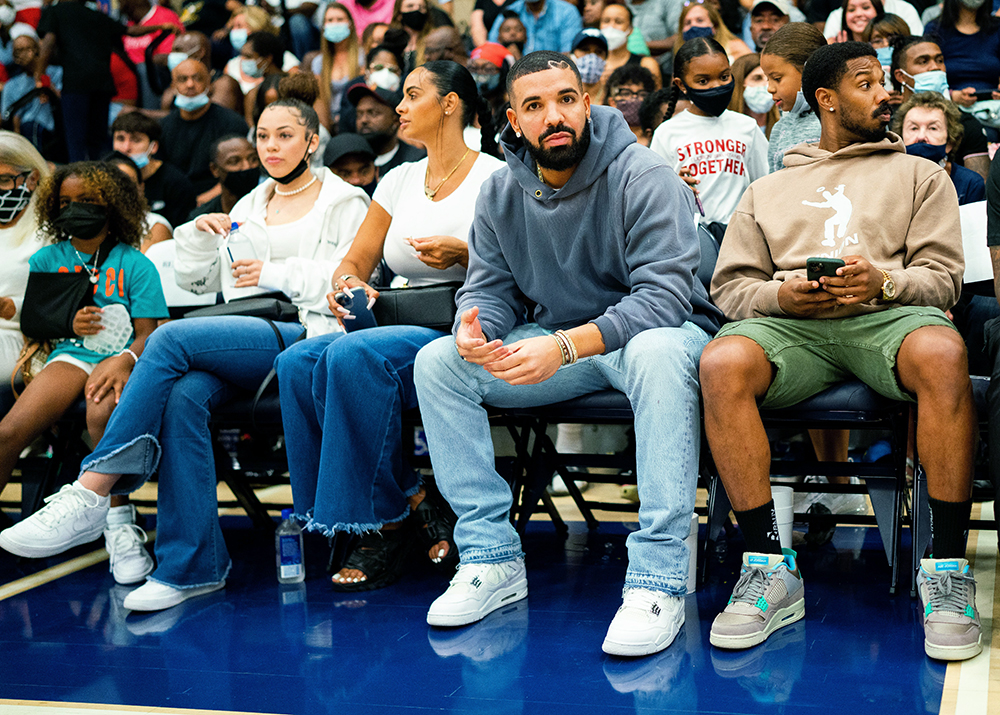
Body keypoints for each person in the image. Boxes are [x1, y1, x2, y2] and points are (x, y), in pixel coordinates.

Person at [0, 98, 369, 613]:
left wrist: (272, 273)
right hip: (250, 335)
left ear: (311, 140)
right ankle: (192, 569)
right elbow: (211, 284)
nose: (271, 147)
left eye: (285, 135)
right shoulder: (249, 204)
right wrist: (195, 238)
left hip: (311, 334)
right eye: (263, 136)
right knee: (183, 395)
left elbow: (349, 280)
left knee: (169, 339)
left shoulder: (344, 200)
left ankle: (93, 488)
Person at [412, 50, 721, 656]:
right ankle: (491, 558)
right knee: (439, 363)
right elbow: (489, 289)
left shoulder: (643, 172)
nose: (553, 115)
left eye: (565, 99)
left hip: (652, 336)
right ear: (513, 120)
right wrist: (474, 328)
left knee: (660, 352)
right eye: (534, 106)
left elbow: (665, 297)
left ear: (585, 103)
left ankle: (658, 580)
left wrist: (565, 344)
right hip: (560, 344)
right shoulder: (501, 192)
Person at [701, 41, 980, 663]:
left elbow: (943, 279)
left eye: (885, 82)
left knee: (943, 353)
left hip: (887, 316)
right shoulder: (768, 188)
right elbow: (730, 287)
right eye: (866, 83)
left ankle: (944, 570)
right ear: (826, 100)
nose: (885, 93)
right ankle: (770, 567)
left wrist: (885, 281)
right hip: (795, 327)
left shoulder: (920, 174)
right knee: (721, 363)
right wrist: (783, 295)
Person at [276, 61, 502, 592]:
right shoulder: (398, 180)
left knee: (350, 356)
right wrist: (350, 287)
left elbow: (523, 269)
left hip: (463, 321)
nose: (399, 107)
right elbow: (352, 261)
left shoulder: (494, 176)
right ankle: (384, 505)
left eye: (411, 95)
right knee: (294, 362)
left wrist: (466, 255)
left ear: (449, 104)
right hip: (396, 319)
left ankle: (379, 523)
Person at [0, 160, 169, 589]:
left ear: (112, 206)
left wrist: (125, 358)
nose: (75, 209)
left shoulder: (136, 264)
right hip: (71, 356)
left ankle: (118, 522)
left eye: (88, 201)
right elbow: (36, 321)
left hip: (127, 357)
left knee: (101, 416)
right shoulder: (47, 258)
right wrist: (66, 323)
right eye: (66, 202)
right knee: (9, 431)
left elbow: (153, 333)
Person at [34, 0, 178, 161]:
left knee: (76, 140)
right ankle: (103, 177)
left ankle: (79, 179)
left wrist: (39, 76)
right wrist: (160, 26)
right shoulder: (97, 15)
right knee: (99, 141)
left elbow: (47, 44)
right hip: (102, 83)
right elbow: (131, 30)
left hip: (77, 83)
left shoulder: (55, 11)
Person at [651, 37, 769, 227]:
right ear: (681, 85)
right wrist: (675, 185)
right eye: (703, 81)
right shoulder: (667, 132)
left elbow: (766, 185)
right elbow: (654, 196)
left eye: (724, 77)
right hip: (690, 237)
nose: (716, 86)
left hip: (740, 236)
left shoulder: (747, 126)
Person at [891, 35, 990, 178]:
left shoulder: (967, 125)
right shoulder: (885, 122)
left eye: (940, 61)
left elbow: (979, 189)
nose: (935, 67)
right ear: (901, 76)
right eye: (923, 61)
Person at [0, 132, 47, 419]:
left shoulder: (50, 229)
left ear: (32, 178)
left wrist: (10, 307)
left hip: (22, 337)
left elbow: (57, 302)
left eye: (4, 180)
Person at [158, 59, 249, 201]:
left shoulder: (232, 123)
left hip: (218, 199)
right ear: (173, 85)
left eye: (197, 78)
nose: (190, 85)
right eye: (182, 79)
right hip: (176, 201)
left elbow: (239, 173)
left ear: (209, 84)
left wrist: (204, 200)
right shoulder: (163, 127)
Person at [892, 91, 984, 203]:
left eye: (933, 128)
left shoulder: (969, 184)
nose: (921, 137)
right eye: (914, 128)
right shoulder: (888, 180)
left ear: (950, 142)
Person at [110, 112, 197, 230]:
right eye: (120, 139)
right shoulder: (102, 176)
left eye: (136, 140)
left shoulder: (176, 184)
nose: (126, 148)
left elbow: (181, 232)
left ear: (154, 146)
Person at [760, 22, 826, 172]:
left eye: (777, 78)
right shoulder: (780, 129)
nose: (769, 88)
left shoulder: (838, 122)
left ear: (810, 71)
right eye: (767, 79)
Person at [924, 0, 1000, 109]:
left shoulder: (997, 28)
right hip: (947, 107)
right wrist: (951, 95)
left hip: (993, 110)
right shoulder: (935, 29)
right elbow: (926, 76)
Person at [1, 26, 61, 155]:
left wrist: (42, 79)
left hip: (53, 126)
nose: (21, 54)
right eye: (17, 51)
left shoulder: (56, 73)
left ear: (36, 49)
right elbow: (7, 115)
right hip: (24, 130)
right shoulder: (11, 85)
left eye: (26, 49)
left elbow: (63, 99)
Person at [349, 82, 426, 173]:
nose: (364, 120)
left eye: (373, 113)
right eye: (359, 114)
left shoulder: (416, 161)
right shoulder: (348, 160)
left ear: (396, 121)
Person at [106, 152, 173, 252]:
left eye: (129, 183)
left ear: (141, 188)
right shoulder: (93, 224)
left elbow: (139, 266)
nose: (122, 190)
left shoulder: (155, 225)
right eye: (115, 184)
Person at [313, 3, 363, 131]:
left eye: (340, 19)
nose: (335, 24)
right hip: (330, 124)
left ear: (350, 24)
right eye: (330, 20)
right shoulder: (318, 62)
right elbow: (320, 101)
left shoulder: (362, 57)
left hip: (356, 121)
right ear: (323, 26)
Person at [188, 134, 261, 219]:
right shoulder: (202, 217)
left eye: (253, 159)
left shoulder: (273, 207)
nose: (247, 166)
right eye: (235, 161)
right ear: (215, 169)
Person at [599, 2, 662, 88]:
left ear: (631, 29)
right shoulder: (589, 63)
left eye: (618, 22)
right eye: (606, 21)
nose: (611, 26)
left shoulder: (646, 65)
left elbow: (656, 99)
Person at [487, 0, 583, 54]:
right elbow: (491, 50)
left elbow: (568, 56)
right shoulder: (510, 12)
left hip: (553, 77)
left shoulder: (566, 12)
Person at [676, 1, 751, 61]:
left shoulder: (735, 47)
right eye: (688, 23)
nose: (693, 26)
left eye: (700, 20)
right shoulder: (681, 59)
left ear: (715, 26)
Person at [729, 53, 779, 137]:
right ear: (739, 85)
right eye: (757, 78)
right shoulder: (726, 130)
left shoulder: (783, 128)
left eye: (771, 79)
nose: (767, 86)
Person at [606, 64, 656, 141]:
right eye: (626, 93)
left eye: (642, 94)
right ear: (612, 102)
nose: (634, 99)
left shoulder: (657, 137)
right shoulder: (604, 138)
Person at [823, 0, 921, 37]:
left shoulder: (906, 9)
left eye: (866, 8)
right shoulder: (835, 16)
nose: (858, 13)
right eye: (851, 10)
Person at [571, 28, 610, 102]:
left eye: (599, 52)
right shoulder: (562, 90)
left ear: (605, 58)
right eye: (585, 50)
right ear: (572, 55)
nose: (592, 57)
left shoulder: (611, 94)